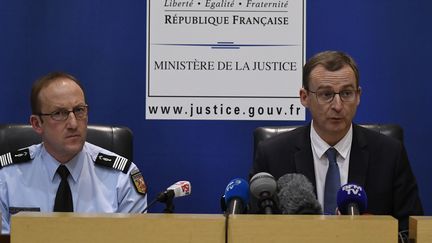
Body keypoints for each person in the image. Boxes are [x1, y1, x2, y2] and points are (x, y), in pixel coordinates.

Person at [250, 51, 423, 234]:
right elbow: (252, 231)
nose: (338, 106)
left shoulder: (389, 154)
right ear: (304, 97)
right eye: (326, 94)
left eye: (347, 93)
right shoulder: (273, 154)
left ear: (358, 96)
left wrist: (374, 231)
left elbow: (409, 232)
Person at [0, 72, 147, 234]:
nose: (73, 123)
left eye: (79, 110)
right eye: (59, 113)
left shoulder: (122, 177)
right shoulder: (6, 177)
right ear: (37, 124)